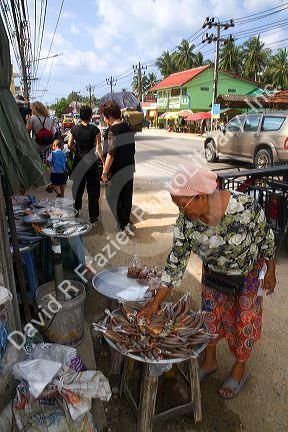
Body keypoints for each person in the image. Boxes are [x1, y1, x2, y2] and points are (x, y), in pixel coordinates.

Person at [138, 164, 276, 399]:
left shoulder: (245, 208)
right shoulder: (186, 223)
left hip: (247, 275)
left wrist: (270, 272)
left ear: (201, 196)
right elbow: (175, 263)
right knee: (210, 320)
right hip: (213, 275)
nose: (180, 211)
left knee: (244, 321)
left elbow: (267, 240)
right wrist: (155, 304)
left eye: (182, 205)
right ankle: (210, 360)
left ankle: (239, 367)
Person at [101, 101, 135, 233]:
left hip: (116, 170)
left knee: (111, 196)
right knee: (126, 196)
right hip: (129, 167)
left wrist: (104, 173)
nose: (104, 119)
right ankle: (126, 222)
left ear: (109, 116)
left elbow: (111, 154)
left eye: (104, 116)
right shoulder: (128, 127)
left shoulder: (112, 131)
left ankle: (124, 224)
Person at [68, 105, 103, 224]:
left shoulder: (74, 129)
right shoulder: (95, 130)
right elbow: (98, 147)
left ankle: (76, 210)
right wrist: (102, 160)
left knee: (78, 188)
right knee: (93, 190)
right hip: (91, 162)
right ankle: (93, 216)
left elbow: (69, 145)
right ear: (91, 116)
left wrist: (76, 152)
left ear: (80, 116)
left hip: (79, 161)